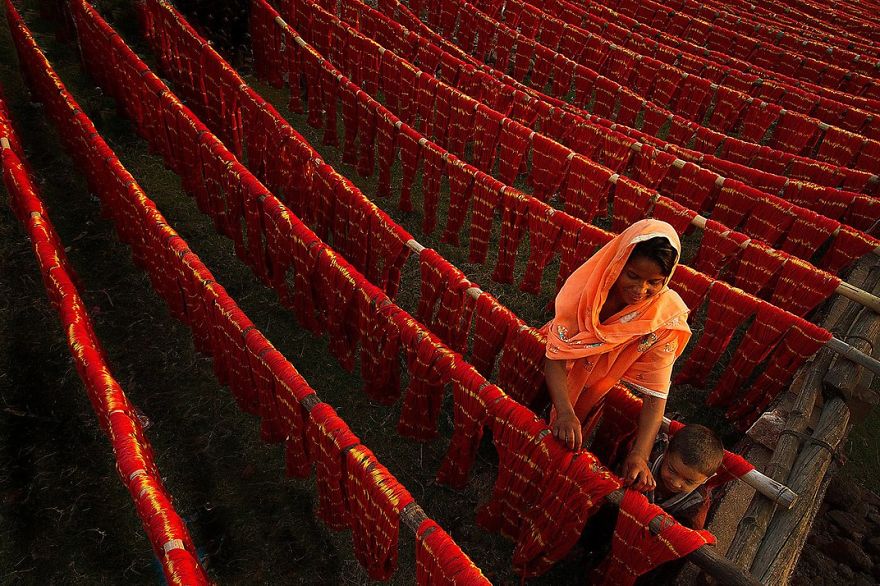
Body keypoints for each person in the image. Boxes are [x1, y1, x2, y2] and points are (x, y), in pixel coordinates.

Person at [543, 219, 691, 492]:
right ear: (618, 264)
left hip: (595, 388)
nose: (640, 290)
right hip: (550, 372)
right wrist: (564, 411)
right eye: (632, 276)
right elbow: (555, 355)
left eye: (654, 282)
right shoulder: (587, 291)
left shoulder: (662, 321)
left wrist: (639, 455)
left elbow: (656, 396)